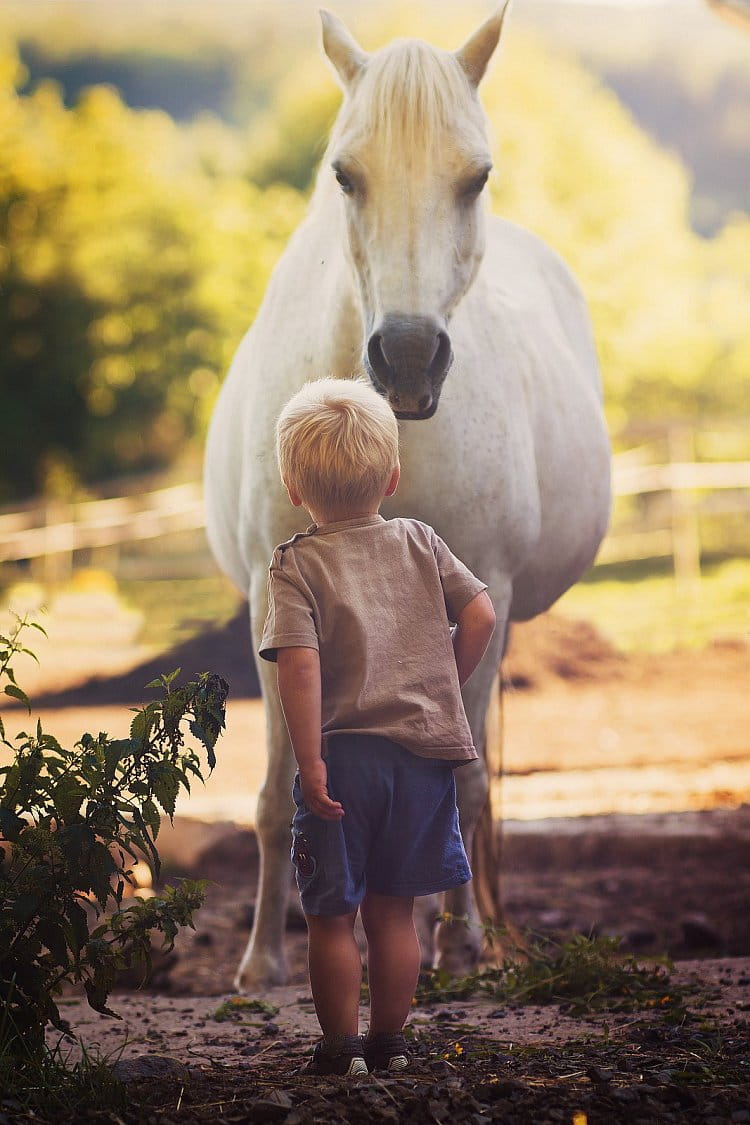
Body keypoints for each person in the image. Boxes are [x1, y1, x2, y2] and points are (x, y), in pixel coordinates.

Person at [259, 377, 496, 1077]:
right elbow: (481, 614)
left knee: (332, 916)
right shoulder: (422, 541)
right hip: (421, 761)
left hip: (344, 761)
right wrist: (442, 683)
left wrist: (310, 761)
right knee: (396, 914)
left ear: (293, 487)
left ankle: (341, 1050)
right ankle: (391, 1042)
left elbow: (299, 669)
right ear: (393, 474)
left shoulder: (297, 563)